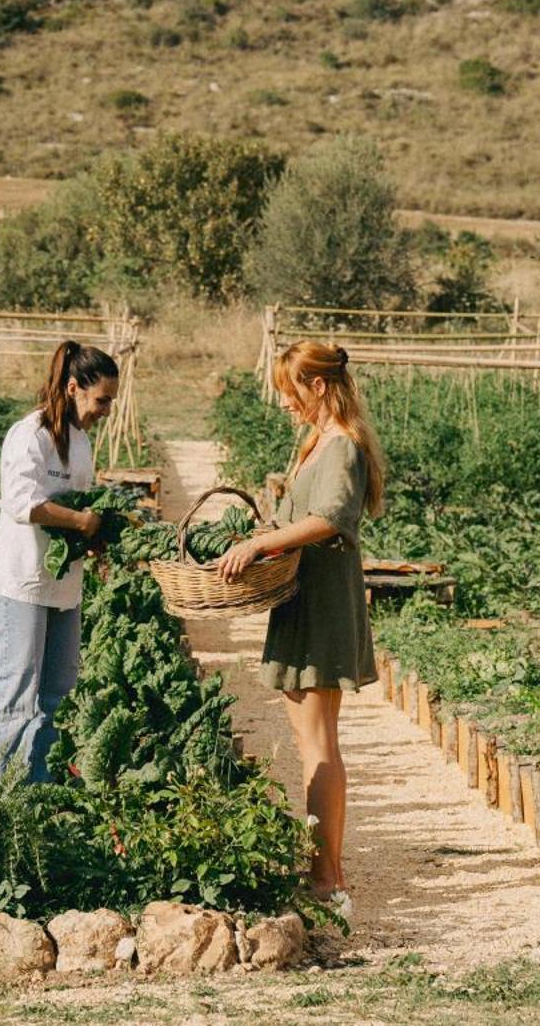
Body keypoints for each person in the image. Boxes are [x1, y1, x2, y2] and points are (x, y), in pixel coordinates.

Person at [212, 341, 385, 918]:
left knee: (318, 742)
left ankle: (327, 877)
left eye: (290, 391)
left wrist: (261, 542)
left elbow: (330, 518)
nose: (285, 403)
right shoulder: (319, 442)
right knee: (311, 737)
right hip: (304, 594)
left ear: (317, 386)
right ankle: (321, 867)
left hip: (322, 599)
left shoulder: (340, 446)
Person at [0, 341, 120, 783]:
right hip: (19, 584)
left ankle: (34, 786)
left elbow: (79, 512)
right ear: (74, 388)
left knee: (56, 691)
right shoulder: (31, 433)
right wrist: (81, 520)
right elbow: (21, 503)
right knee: (15, 692)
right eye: (101, 399)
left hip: (62, 588)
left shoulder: (81, 442)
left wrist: (94, 538)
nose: (107, 409)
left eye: (111, 400)